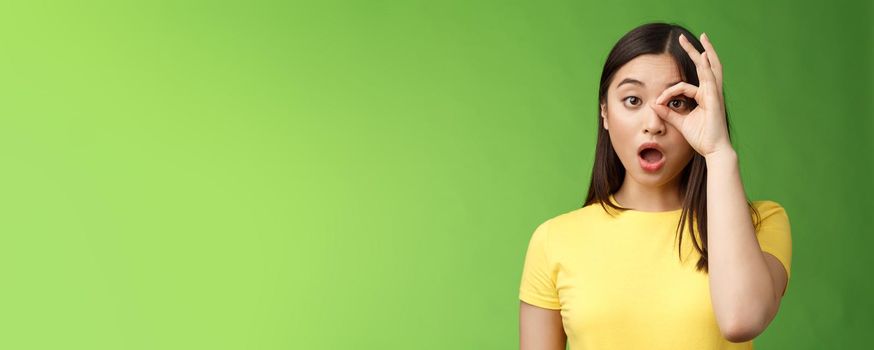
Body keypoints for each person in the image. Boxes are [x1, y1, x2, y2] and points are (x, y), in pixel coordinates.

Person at [518, 22, 793, 350]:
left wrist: (718, 152)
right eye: (632, 100)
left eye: (677, 102)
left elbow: (741, 320)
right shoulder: (554, 240)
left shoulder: (760, 223)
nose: (652, 124)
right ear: (604, 112)